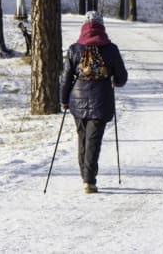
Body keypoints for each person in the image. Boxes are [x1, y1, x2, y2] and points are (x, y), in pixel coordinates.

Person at [60, 11, 128, 194]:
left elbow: (66, 78)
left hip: (77, 99)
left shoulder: (75, 49)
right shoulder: (111, 49)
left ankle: (85, 176)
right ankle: (89, 180)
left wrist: (64, 100)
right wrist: (114, 80)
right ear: (101, 26)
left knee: (82, 137)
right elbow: (121, 78)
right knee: (93, 140)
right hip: (101, 99)